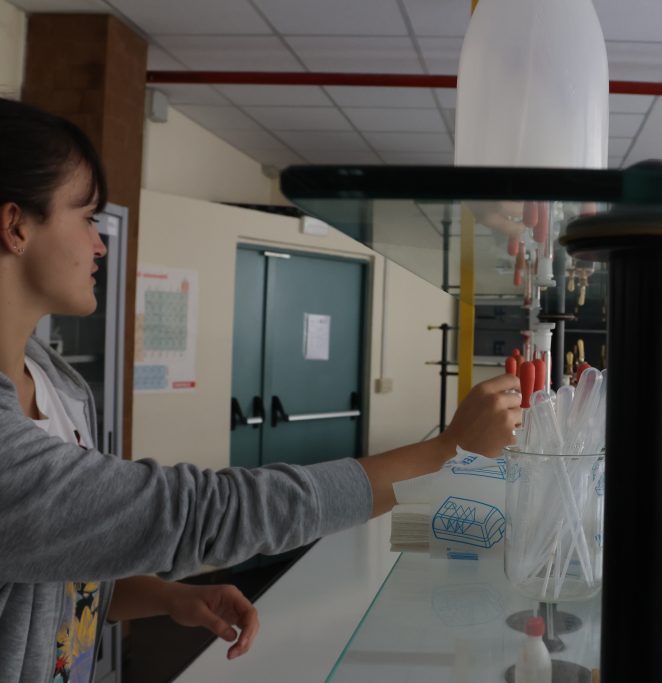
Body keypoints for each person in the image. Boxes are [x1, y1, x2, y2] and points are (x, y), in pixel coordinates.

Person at [0, 98, 523, 683]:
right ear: (16, 225)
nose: (99, 244)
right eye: (86, 217)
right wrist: (444, 453)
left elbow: (61, 558)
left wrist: (167, 597)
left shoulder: (59, 384)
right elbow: (203, 513)